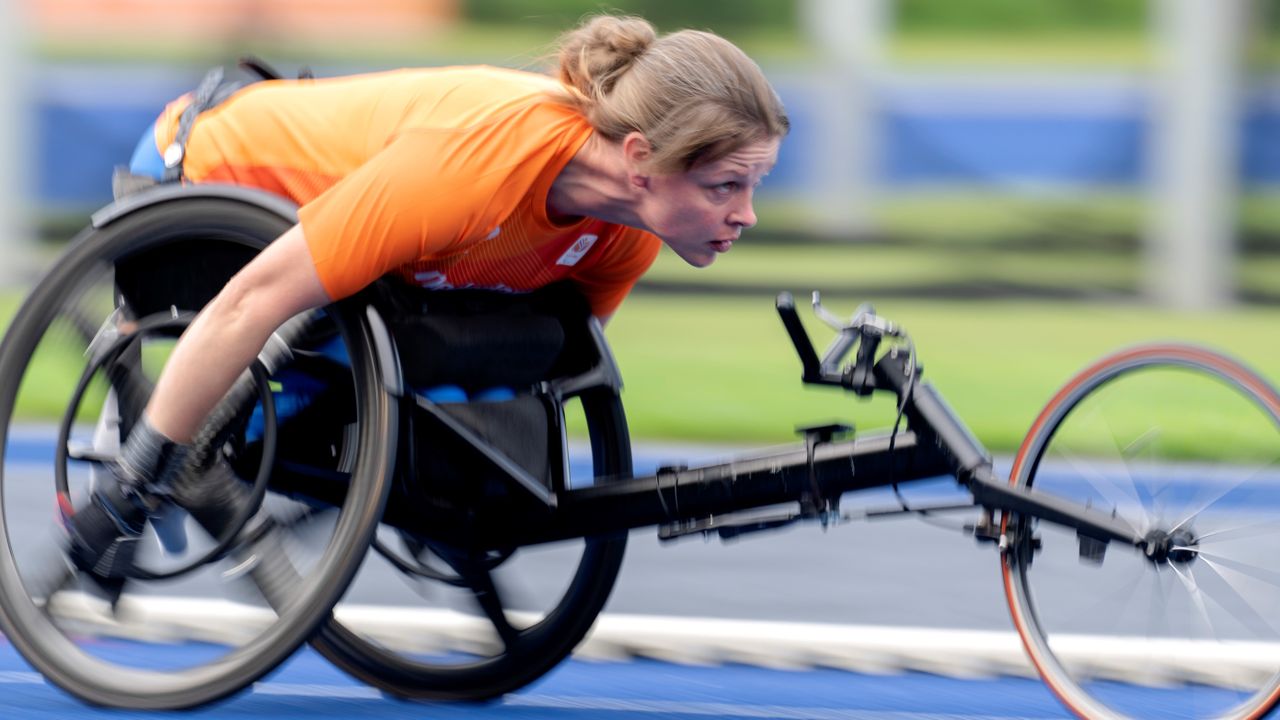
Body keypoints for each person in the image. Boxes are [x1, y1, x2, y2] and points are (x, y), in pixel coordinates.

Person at [65, 14, 789, 578]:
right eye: (724, 186)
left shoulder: (622, 239)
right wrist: (132, 485)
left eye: (754, 185)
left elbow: (533, 374)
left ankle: (214, 430)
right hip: (205, 168)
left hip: (382, 252)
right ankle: (149, 428)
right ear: (639, 159)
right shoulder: (480, 167)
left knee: (445, 374)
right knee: (319, 364)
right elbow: (247, 303)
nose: (746, 214)